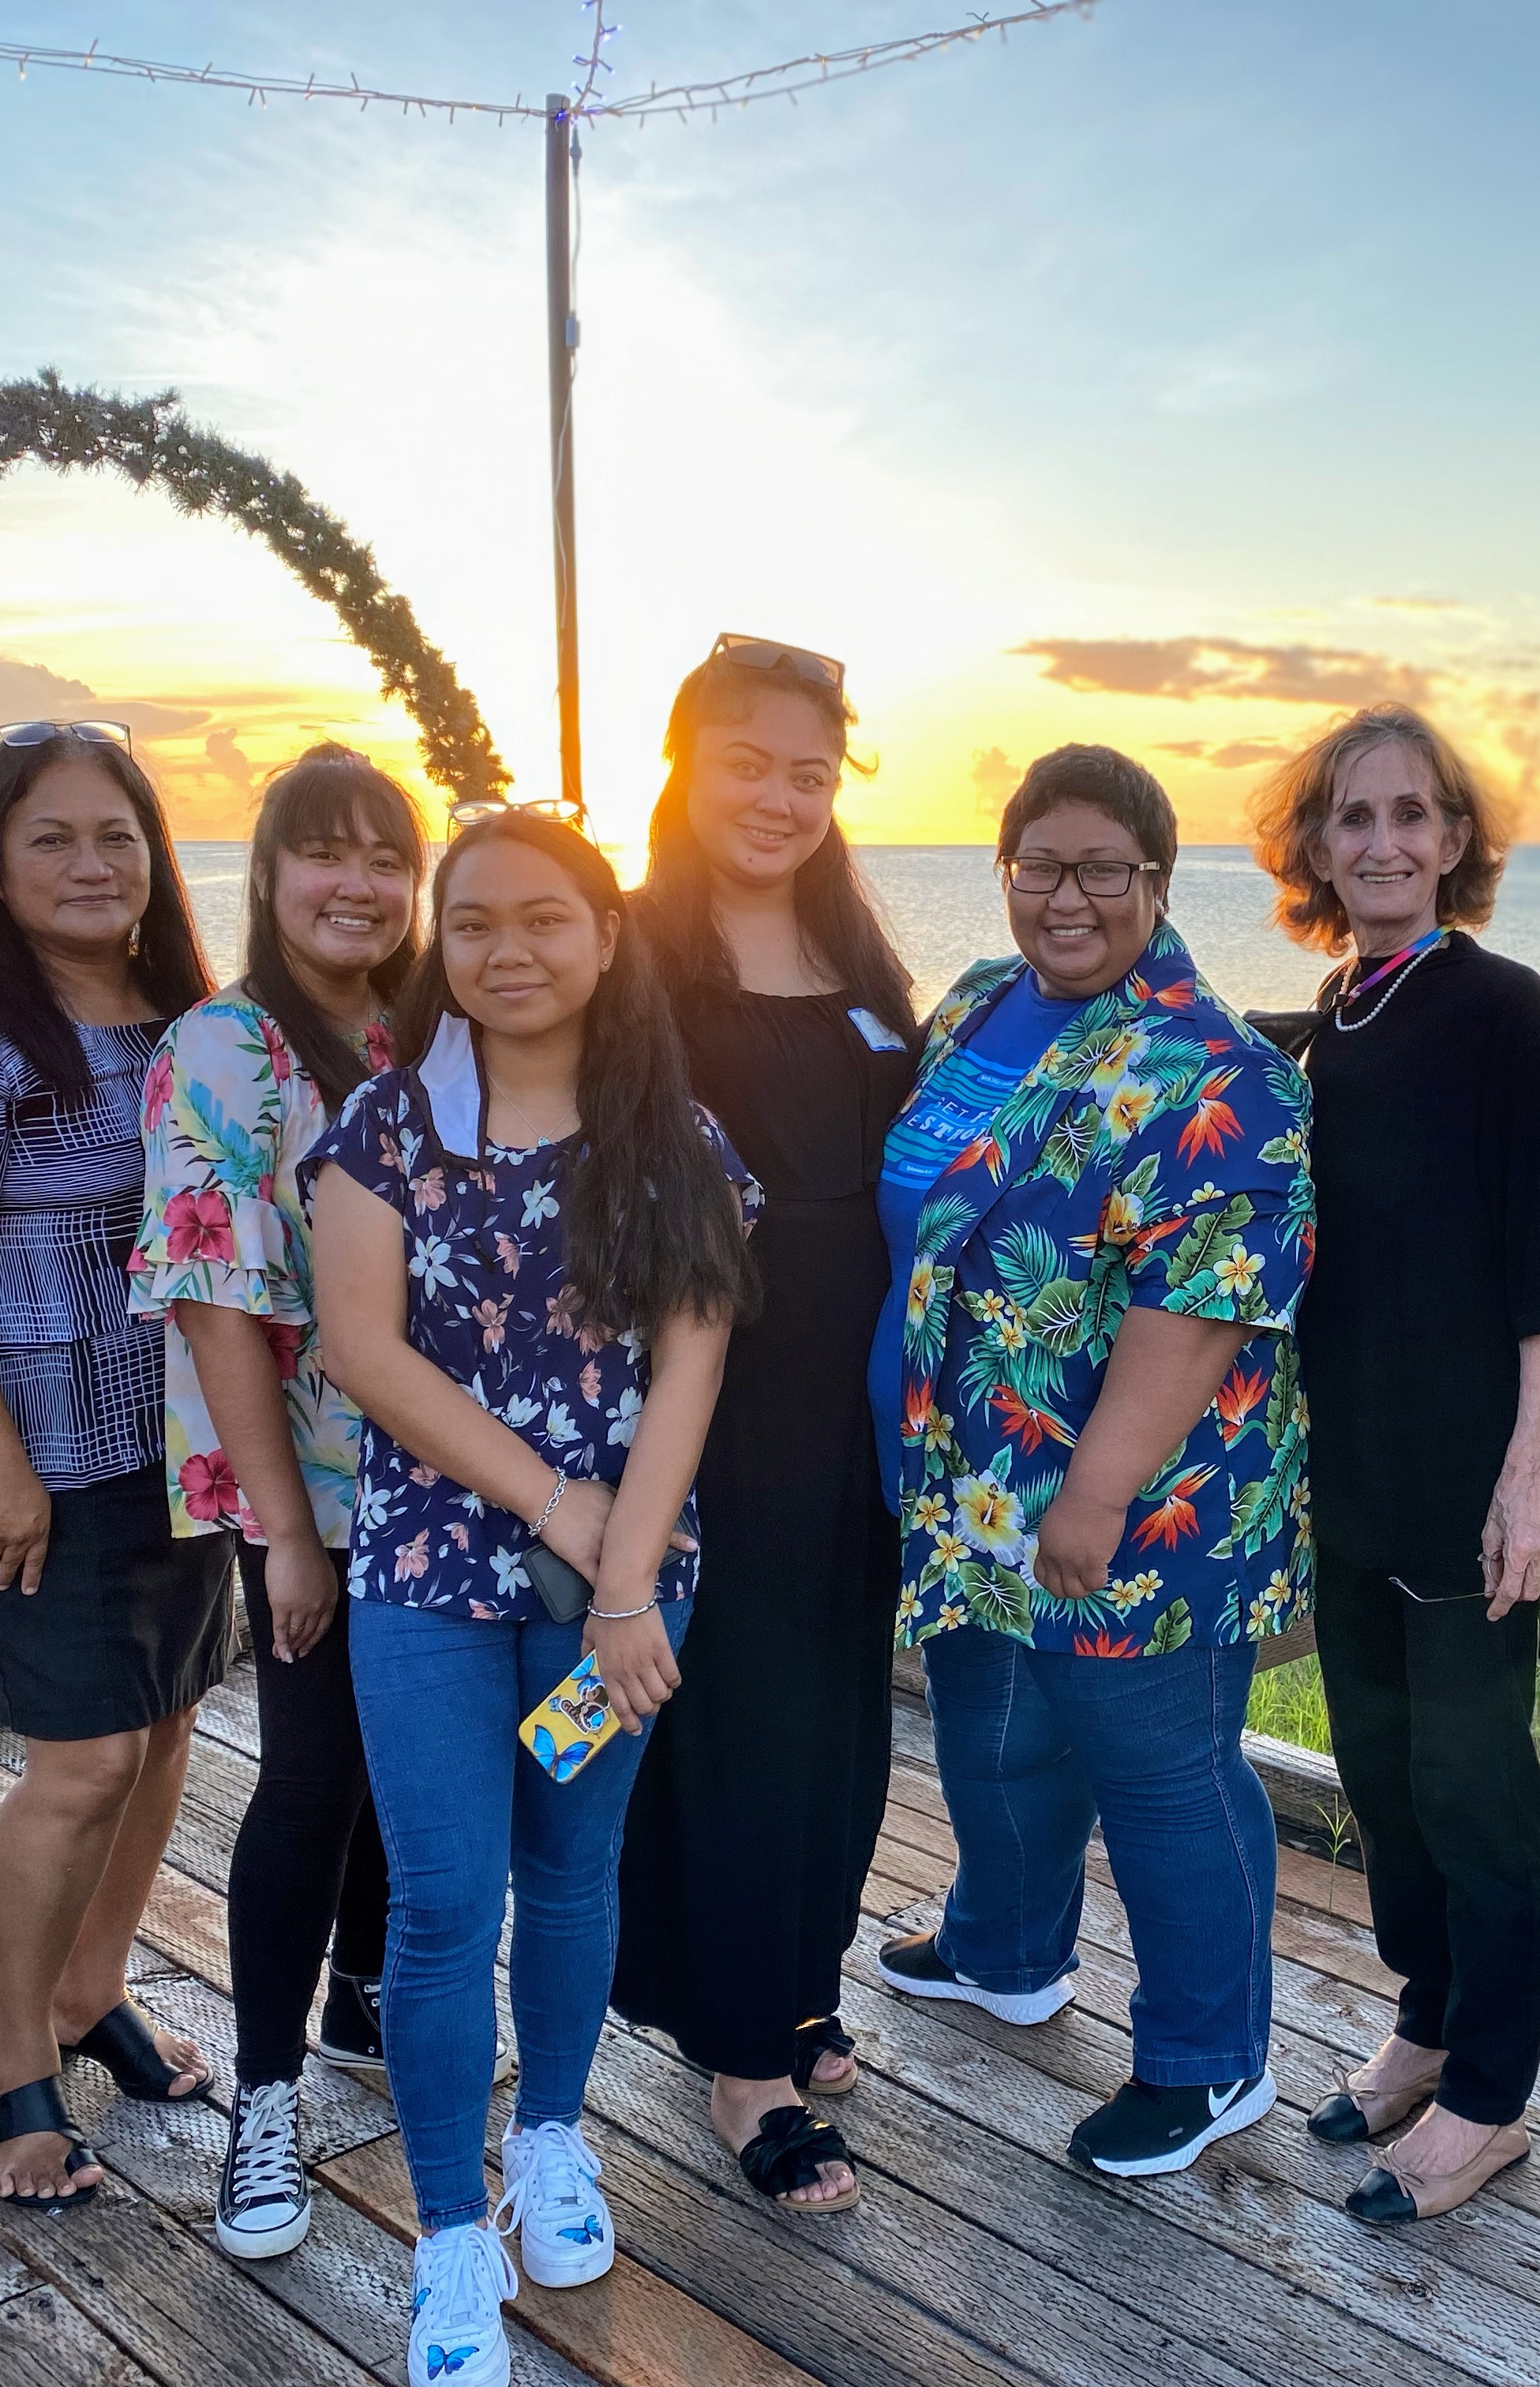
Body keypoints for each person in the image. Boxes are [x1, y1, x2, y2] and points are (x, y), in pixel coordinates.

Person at [310, 805, 757, 2387]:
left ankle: (551, 2143)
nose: (509, 950)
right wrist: (555, 1500)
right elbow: (363, 1352)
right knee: (444, 1900)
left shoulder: (673, 1136)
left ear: (606, 932)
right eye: (477, 921)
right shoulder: (383, 1126)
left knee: (574, 1864)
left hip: (613, 1596)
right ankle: (445, 2235)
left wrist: (623, 1581)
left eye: (544, 918)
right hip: (429, 1576)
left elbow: (694, 1359)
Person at [871, 744, 1315, 2180]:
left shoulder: (1217, 1069)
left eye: (1103, 870)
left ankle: (1210, 2061)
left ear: (1159, 884)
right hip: (969, 1484)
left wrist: (1098, 1490)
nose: (1069, 898)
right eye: (1041, 867)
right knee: (993, 1727)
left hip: (1136, 1507)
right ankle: (1006, 1950)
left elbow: (1205, 1304)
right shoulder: (975, 1008)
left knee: (1164, 1772)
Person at [0, 720, 224, 2213]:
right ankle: (19, 2055)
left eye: (117, 835)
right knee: (76, 1763)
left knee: (164, 1729)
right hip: (37, 1461)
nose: (91, 864)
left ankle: (93, 1991)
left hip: (186, 1448)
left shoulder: (186, 1017)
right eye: (51, 839)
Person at [1244, 704, 1540, 2225]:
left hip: (1472, 1480)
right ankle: (1428, 2025)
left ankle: (1494, 2099)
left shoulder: (1498, 1003)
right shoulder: (1336, 1012)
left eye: (1411, 816)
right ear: (1316, 847)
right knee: (1383, 1779)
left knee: (1475, 1785)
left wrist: (1533, 1477)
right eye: (1352, 818)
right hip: (1359, 1476)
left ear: (1456, 841)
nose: (1382, 842)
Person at [614, 636, 919, 2217]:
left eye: (811, 771)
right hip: (709, 1406)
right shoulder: (631, 954)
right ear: (686, 764)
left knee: (839, 1721)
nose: (780, 797)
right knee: (729, 1723)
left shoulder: (858, 958)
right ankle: (742, 2060)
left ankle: (796, 1977)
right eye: (748, 761)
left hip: (858, 1404)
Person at [132, 742, 419, 2261]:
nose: (359, 882)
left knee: (412, 1746)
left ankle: (366, 1994)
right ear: (268, 873)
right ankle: (264, 2100)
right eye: (329, 852)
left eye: (388, 856)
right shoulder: (228, 1045)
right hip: (302, 1479)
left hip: (444, 1477)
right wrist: (287, 1531)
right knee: (312, 1771)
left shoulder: (425, 1030)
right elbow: (215, 1306)